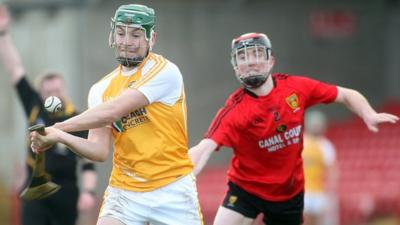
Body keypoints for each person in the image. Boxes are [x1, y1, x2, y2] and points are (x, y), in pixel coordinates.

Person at [188, 32, 399, 225]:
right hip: (246, 190)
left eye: (256, 54)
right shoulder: (235, 110)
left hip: (288, 195)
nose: (250, 62)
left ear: (271, 60)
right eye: (242, 57)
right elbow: (204, 147)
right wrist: (181, 175)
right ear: (235, 66)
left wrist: (368, 113)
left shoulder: (296, 88)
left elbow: (345, 94)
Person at [29, 4, 203, 225]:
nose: (127, 41)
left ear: (152, 38)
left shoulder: (165, 72)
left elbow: (112, 112)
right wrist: (60, 137)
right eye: (121, 33)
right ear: (113, 35)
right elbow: (99, 150)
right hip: (125, 191)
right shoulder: (100, 89)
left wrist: (57, 129)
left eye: (136, 34)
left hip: (172, 188)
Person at [0, 5, 97, 225]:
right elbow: (15, 69)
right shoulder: (34, 106)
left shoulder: (77, 118)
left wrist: (88, 192)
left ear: (64, 91)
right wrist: (3, 34)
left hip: (66, 191)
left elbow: (88, 162)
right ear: (42, 93)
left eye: (57, 91)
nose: (54, 95)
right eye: (49, 91)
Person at [303, 110, 339, 225]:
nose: (316, 127)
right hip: (301, 192)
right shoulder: (299, 143)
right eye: (314, 124)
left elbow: (332, 172)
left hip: (318, 192)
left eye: (318, 125)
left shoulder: (325, 145)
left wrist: (331, 193)